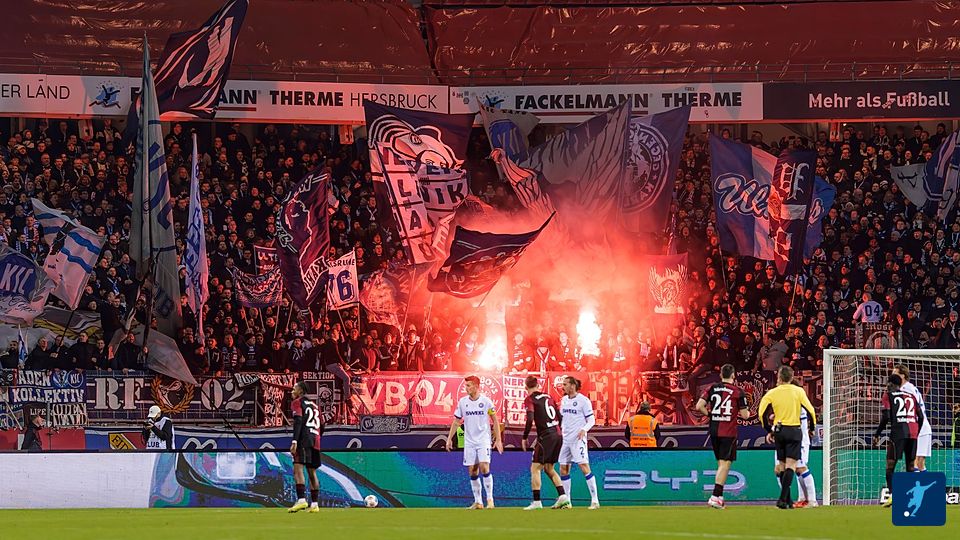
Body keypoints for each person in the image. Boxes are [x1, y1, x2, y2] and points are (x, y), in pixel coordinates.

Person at [758, 365, 817, 510]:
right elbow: (811, 411)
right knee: (788, 467)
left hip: (780, 431)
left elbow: (761, 413)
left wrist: (769, 430)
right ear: (791, 377)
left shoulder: (773, 392)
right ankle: (786, 500)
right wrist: (812, 428)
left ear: (779, 377)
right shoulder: (798, 392)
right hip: (794, 431)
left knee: (785, 466)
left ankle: (792, 500)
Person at [445, 375, 503, 509]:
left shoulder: (486, 402)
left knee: (484, 466)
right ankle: (478, 502)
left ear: (476, 387)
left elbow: (495, 420)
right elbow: (456, 421)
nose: (466, 388)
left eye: (468, 385)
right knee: (472, 470)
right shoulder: (462, 402)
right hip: (469, 441)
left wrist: (498, 439)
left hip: (483, 440)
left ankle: (490, 500)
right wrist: (449, 439)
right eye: (465, 385)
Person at [696, 363, 749, 509]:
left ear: (721, 375)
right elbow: (745, 415)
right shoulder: (738, 391)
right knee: (725, 463)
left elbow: (699, 406)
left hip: (714, 430)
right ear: (733, 375)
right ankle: (715, 496)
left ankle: (719, 497)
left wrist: (711, 415)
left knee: (721, 463)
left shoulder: (712, 388)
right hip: (728, 431)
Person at [520, 375, 570, 510]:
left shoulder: (530, 399)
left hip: (546, 436)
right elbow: (560, 417)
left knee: (535, 468)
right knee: (549, 468)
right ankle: (563, 497)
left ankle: (537, 502)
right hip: (558, 434)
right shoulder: (549, 397)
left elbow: (530, 419)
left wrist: (524, 437)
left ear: (526, 387)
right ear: (538, 386)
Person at [874, 373, 924, 508]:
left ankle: (892, 495)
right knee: (910, 467)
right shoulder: (911, 396)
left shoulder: (888, 395)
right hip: (913, 434)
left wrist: (877, 434)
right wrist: (917, 431)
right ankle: (909, 498)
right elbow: (921, 417)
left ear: (890, 384)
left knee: (890, 466)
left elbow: (886, 416)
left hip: (898, 434)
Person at [558, 376, 599, 509]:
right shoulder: (564, 400)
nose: (563, 387)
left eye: (565, 384)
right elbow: (562, 418)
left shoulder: (583, 401)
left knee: (584, 467)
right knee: (563, 469)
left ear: (572, 385)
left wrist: (584, 429)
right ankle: (567, 501)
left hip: (578, 440)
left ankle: (595, 500)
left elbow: (591, 420)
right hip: (565, 440)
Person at [288, 381, 323, 513]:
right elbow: (322, 425)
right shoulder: (315, 406)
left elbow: (298, 421)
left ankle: (301, 500)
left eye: (294, 389)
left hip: (304, 439)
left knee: (298, 468)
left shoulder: (297, 402)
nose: (292, 391)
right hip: (315, 440)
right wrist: (317, 437)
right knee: (312, 472)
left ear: (301, 391)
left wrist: (295, 441)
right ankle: (315, 504)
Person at [893, 365, 932, 472]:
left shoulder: (906, 389)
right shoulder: (909, 388)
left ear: (902, 375)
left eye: (895, 373)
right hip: (919, 427)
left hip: (919, 428)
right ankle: (920, 480)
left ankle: (918, 481)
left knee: (916, 463)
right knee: (918, 463)